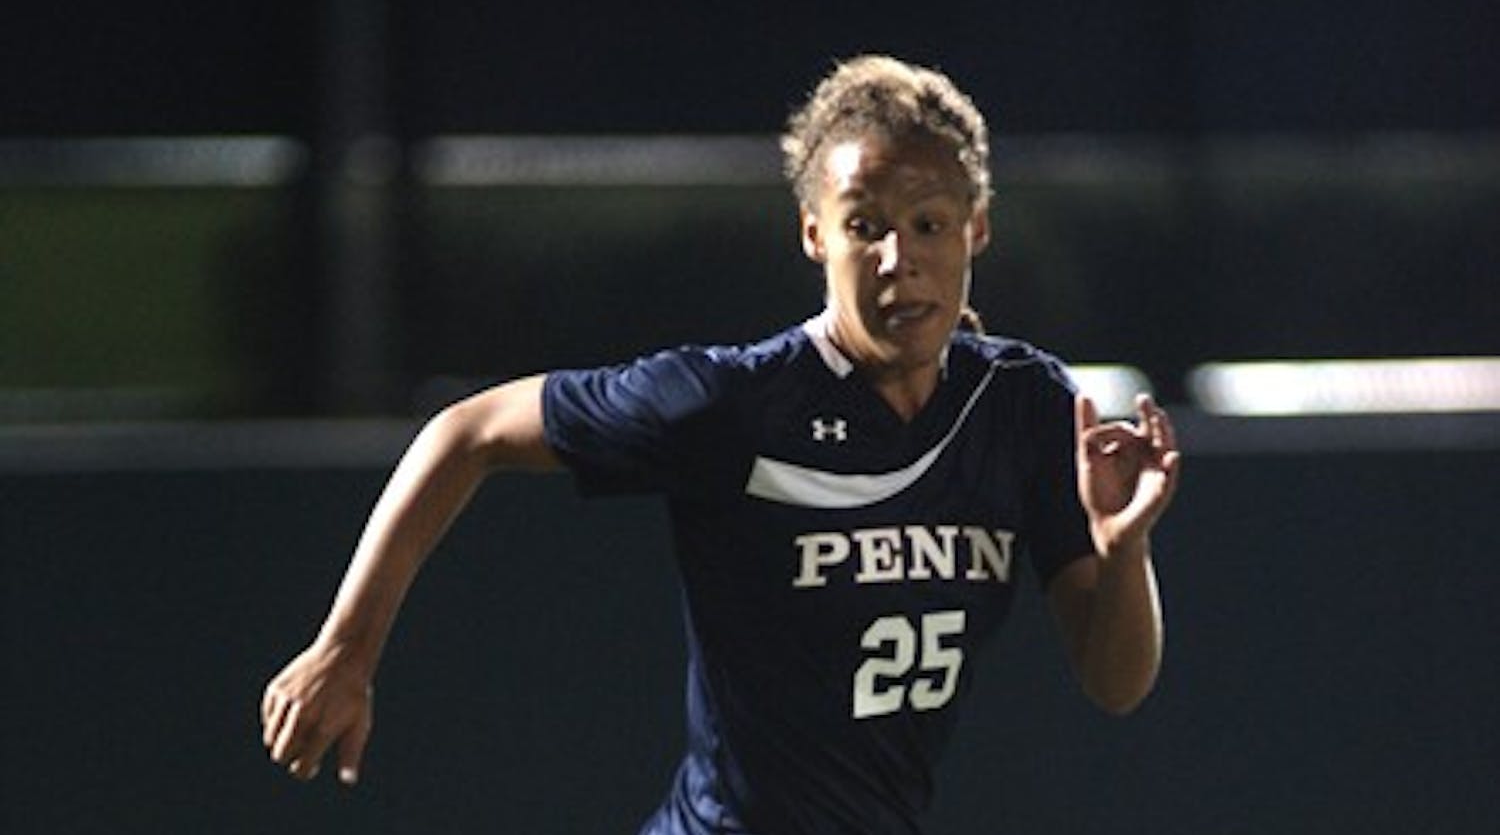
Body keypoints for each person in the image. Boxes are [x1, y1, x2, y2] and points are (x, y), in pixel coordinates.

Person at [260, 54, 1181, 834]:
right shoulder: (734, 402)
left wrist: (1125, 547)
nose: (899, 258)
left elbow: (1115, 683)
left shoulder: (1021, 407)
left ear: (976, 228)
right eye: (865, 226)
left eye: (930, 224)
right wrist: (347, 645)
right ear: (815, 236)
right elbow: (467, 432)